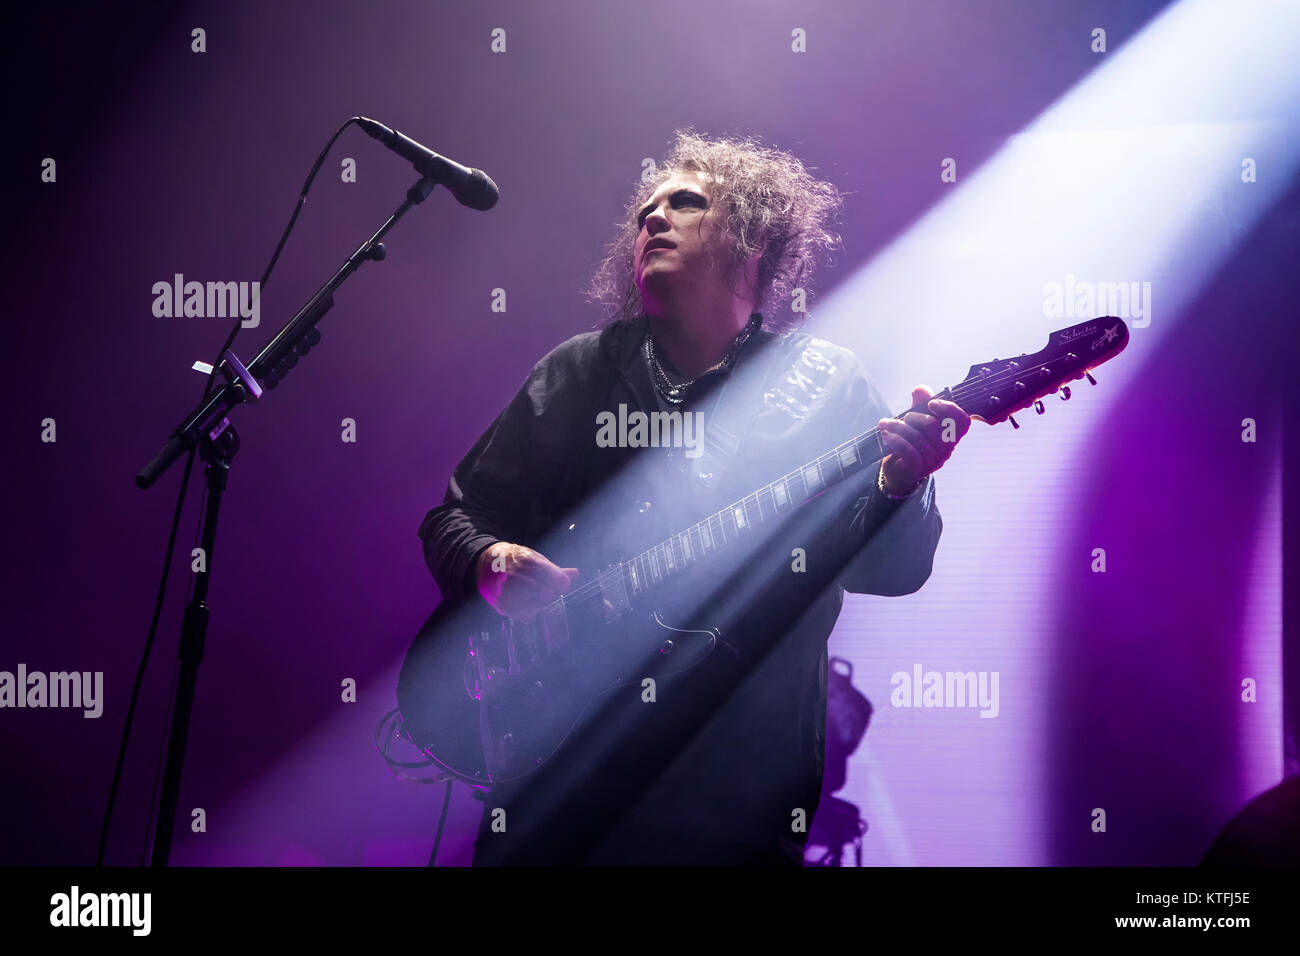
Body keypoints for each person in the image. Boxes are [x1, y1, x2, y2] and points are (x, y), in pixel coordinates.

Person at [418, 130, 970, 866]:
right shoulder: (580, 372)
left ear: (750, 240)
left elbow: (892, 572)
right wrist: (488, 560)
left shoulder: (825, 386)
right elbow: (453, 517)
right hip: (557, 789)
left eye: (683, 202)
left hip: (734, 796)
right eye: (645, 208)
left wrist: (904, 486)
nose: (651, 217)